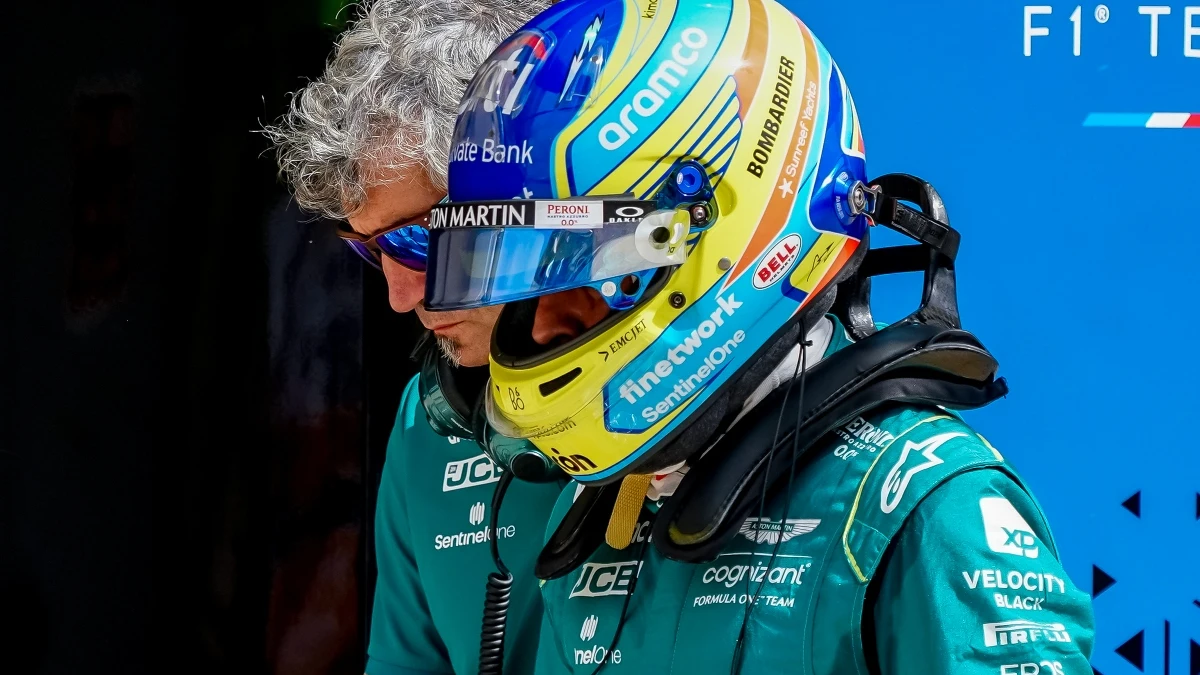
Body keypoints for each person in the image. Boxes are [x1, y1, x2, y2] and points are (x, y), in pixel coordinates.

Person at [418, 0, 1097, 673]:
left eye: (581, 271)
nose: (539, 324)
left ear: (722, 238)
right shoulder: (603, 512)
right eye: (519, 281)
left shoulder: (927, 511)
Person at [263, 1, 559, 673]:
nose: (401, 297)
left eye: (419, 241)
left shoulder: (680, 400)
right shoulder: (430, 423)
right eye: (373, 252)